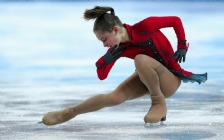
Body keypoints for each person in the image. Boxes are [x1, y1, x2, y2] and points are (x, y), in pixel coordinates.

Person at [41, 6, 207, 126]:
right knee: (114, 98)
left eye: (104, 39)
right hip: (147, 77)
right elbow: (102, 76)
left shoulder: (146, 26)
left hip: (170, 79)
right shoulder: (118, 49)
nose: (104, 45)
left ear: (115, 30)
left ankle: (158, 103)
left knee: (140, 59)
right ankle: (69, 112)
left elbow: (175, 21)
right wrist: (104, 61)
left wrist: (182, 45)